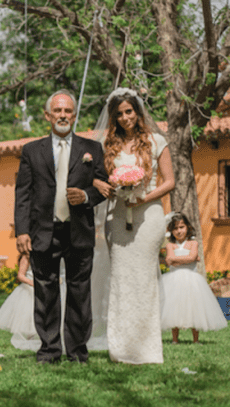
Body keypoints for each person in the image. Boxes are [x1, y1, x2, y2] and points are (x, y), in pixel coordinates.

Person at [14, 89, 108, 364]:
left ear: (75, 115)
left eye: (68, 111)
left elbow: (102, 188)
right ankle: (49, 351)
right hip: (44, 231)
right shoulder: (31, 150)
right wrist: (22, 231)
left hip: (79, 230)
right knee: (45, 292)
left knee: (80, 293)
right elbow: (23, 194)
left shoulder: (92, 149)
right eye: (58, 111)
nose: (63, 115)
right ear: (48, 115)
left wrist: (87, 196)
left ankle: (78, 352)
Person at [97, 87, 175, 364]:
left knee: (144, 280)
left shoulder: (156, 141)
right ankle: (120, 349)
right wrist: (107, 185)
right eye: (119, 114)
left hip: (149, 215)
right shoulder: (110, 145)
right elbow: (100, 177)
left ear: (137, 112)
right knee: (121, 280)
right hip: (118, 216)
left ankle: (147, 349)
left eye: (128, 111)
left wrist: (143, 197)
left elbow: (169, 181)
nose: (125, 117)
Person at [160, 213, 227, 343]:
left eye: (181, 227)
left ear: (188, 227)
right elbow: (169, 261)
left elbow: (191, 258)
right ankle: (175, 339)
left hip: (192, 280)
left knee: (195, 308)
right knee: (174, 309)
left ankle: (196, 339)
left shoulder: (193, 243)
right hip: (174, 281)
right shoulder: (170, 246)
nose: (179, 231)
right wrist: (186, 259)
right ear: (171, 231)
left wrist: (177, 259)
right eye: (175, 228)